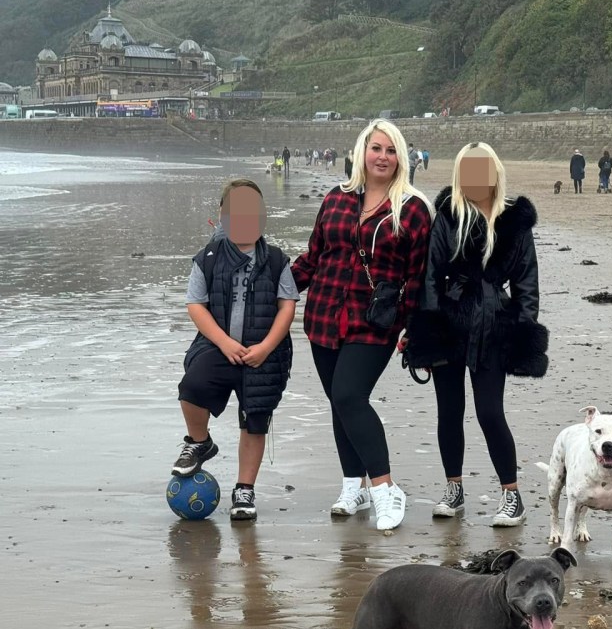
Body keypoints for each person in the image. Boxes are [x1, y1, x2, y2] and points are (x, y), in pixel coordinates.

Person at [291, 121, 433, 531]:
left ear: (401, 157)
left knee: (350, 396)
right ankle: (351, 484)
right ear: (362, 152)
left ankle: (385, 489)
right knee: (339, 402)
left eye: (391, 150)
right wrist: (274, 287)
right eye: (376, 148)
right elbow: (313, 256)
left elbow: (419, 276)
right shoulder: (336, 198)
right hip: (322, 315)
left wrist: (415, 328)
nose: (383, 156)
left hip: (375, 321)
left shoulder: (412, 208)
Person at [405, 142, 548, 528]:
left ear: (495, 172)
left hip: (492, 324)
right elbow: (431, 274)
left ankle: (511, 494)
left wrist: (523, 330)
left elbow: (526, 283)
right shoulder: (449, 215)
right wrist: (428, 328)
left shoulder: (515, 221)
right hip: (448, 321)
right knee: (449, 411)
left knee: (489, 411)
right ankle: (454, 488)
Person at [172, 178, 299, 521]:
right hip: (218, 346)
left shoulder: (275, 259)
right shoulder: (208, 258)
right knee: (192, 386)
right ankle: (199, 441)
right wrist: (224, 342)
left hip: (264, 353)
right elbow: (195, 305)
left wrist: (266, 347)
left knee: (255, 420)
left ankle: (245, 489)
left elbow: (287, 306)